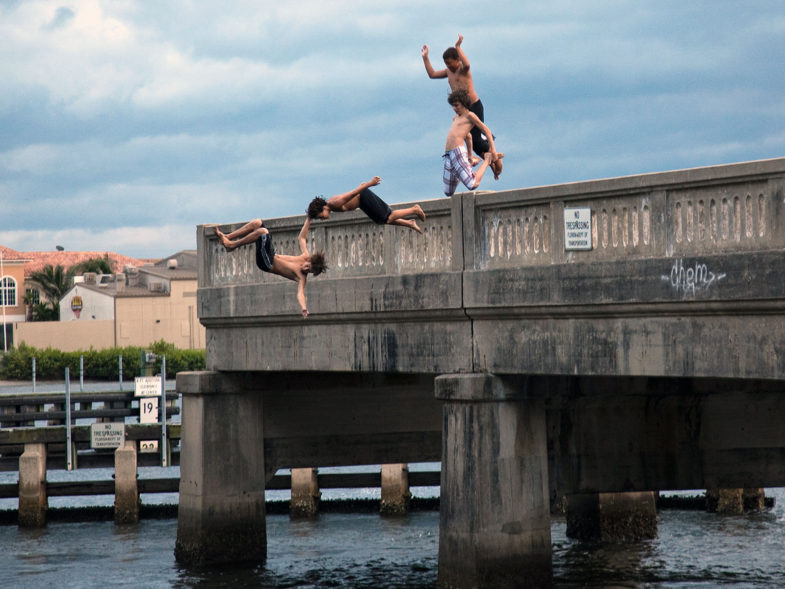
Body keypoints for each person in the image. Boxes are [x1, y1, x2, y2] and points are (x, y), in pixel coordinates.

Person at [422, 34, 503, 179]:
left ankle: (495, 159)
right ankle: (491, 160)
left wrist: (458, 47)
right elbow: (432, 74)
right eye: (446, 64)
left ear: (457, 60)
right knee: (467, 137)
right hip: (462, 111)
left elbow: (467, 64)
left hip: (474, 106)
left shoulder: (463, 69)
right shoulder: (448, 72)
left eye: (451, 63)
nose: (449, 67)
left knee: (476, 140)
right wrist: (425, 57)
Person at [213, 217, 326, 318]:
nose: (306, 269)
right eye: (308, 267)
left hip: (267, 263)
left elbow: (300, 293)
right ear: (310, 260)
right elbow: (302, 237)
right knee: (257, 223)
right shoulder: (305, 256)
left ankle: (232, 245)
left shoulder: (302, 277)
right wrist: (309, 219)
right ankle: (227, 237)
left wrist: (304, 307)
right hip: (271, 254)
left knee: (263, 232)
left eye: (309, 271)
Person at [306, 176, 426, 233]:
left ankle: (414, 210)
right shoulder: (332, 206)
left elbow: (353, 193)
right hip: (363, 204)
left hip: (363, 197)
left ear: (323, 208)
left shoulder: (334, 203)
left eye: (321, 216)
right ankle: (410, 223)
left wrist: (369, 184)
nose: (323, 219)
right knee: (380, 220)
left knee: (388, 217)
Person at [443, 89, 501, 196]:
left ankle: (487, 160)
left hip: (457, 152)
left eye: (456, 105)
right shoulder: (455, 118)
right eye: (453, 106)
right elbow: (468, 136)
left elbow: (487, 131)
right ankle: (463, 171)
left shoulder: (470, 116)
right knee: (448, 191)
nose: (454, 108)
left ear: (464, 104)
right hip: (448, 155)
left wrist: (493, 151)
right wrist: (470, 157)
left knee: (472, 183)